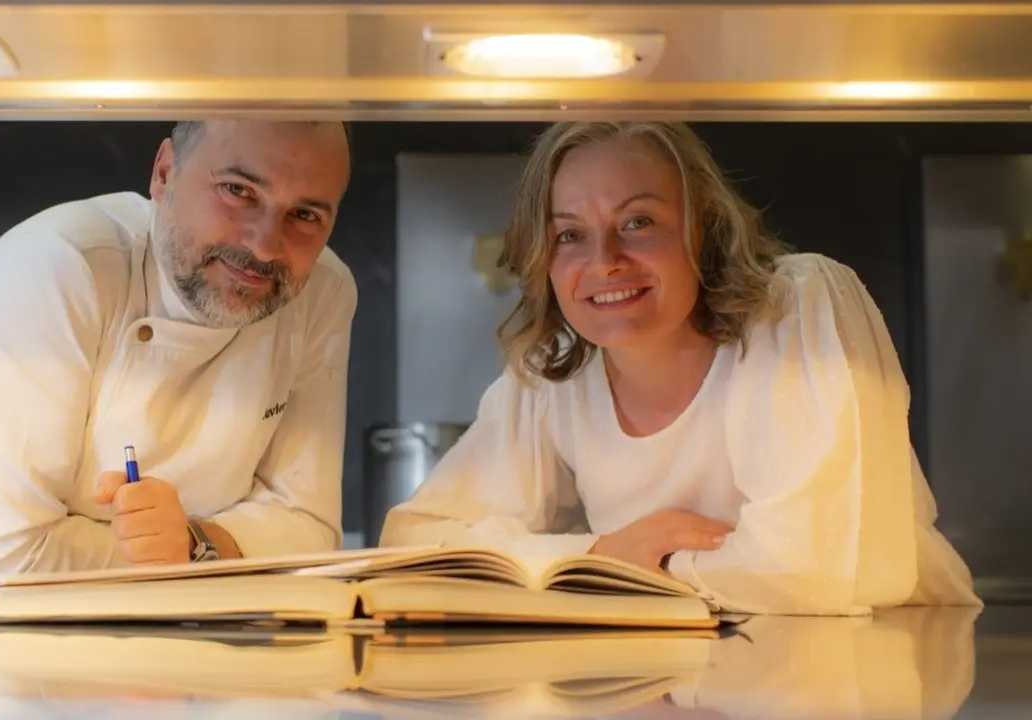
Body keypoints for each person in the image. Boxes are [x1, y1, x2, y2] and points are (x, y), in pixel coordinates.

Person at [379, 121, 980, 616]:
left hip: (878, 669)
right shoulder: (553, 375)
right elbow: (416, 543)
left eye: (638, 222)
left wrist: (637, 572)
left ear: (705, 229)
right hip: (689, 681)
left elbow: (813, 574)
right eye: (569, 235)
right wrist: (599, 557)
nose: (605, 261)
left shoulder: (796, 308)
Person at [0, 120, 357, 602]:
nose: (264, 245)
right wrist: (184, 561)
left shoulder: (322, 293)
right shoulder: (57, 267)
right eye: (237, 190)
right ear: (165, 173)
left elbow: (309, 530)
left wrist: (193, 544)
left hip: (191, 652)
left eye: (306, 215)